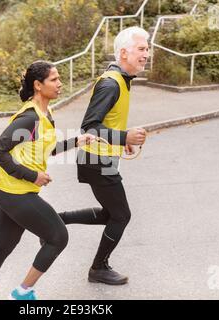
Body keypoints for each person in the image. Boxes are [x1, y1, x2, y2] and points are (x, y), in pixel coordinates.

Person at [0, 61, 96, 300]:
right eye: (54, 80)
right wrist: (32, 175)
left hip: (9, 188)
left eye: (59, 79)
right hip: (15, 190)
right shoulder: (30, 118)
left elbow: (47, 148)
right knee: (58, 237)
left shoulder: (46, 114)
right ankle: (21, 293)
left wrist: (76, 141)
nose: (60, 84)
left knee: (3, 246)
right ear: (38, 85)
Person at [59, 27, 149, 285]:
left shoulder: (120, 80)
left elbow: (106, 123)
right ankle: (98, 268)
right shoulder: (111, 83)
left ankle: (59, 220)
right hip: (95, 160)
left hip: (103, 159)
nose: (147, 54)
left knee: (112, 213)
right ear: (124, 52)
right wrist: (124, 137)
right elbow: (89, 127)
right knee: (121, 215)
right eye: (141, 49)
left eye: (147, 48)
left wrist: (122, 140)